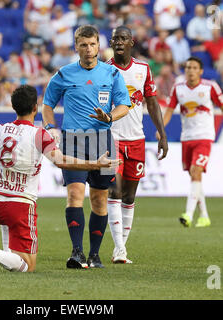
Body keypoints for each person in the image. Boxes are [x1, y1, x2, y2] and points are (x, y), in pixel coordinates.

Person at [0, 84, 119, 273]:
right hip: (19, 206)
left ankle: (6, 254)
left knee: (13, 254)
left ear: (14, 107)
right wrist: (95, 164)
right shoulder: (39, 134)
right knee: (28, 266)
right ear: (35, 108)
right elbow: (61, 161)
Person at [42, 25, 131, 269]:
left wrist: (110, 117)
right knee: (74, 195)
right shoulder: (64, 74)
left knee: (100, 201)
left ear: (98, 46)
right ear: (76, 47)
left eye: (92, 44)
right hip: (73, 140)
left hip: (102, 140)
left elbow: (125, 104)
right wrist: (51, 127)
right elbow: (47, 104)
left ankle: (94, 254)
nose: (88, 49)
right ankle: (77, 252)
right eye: (83, 45)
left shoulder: (112, 74)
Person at [106, 26, 168, 264]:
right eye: (115, 39)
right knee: (114, 191)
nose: (119, 42)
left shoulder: (143, 69)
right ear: (111, 43)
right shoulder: (105, 70)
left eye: (123, 38)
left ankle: (121, 247)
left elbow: (152, 103)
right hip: (111, 138)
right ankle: (119, 249)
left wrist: (162, 135)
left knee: (129, 196)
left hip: (137, 140)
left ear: (132, 42)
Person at [157, 57, 223, 228]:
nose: (190, 70)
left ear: (200, 71)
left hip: (205, 136)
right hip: (187, 137)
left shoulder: (210, 87)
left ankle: (188, 214)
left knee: (196, 171)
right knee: (195, 176)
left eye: (194, 67)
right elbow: (169, 110)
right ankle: (205, 216)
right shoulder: (178, 88)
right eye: (187, 67)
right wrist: (161, 129)